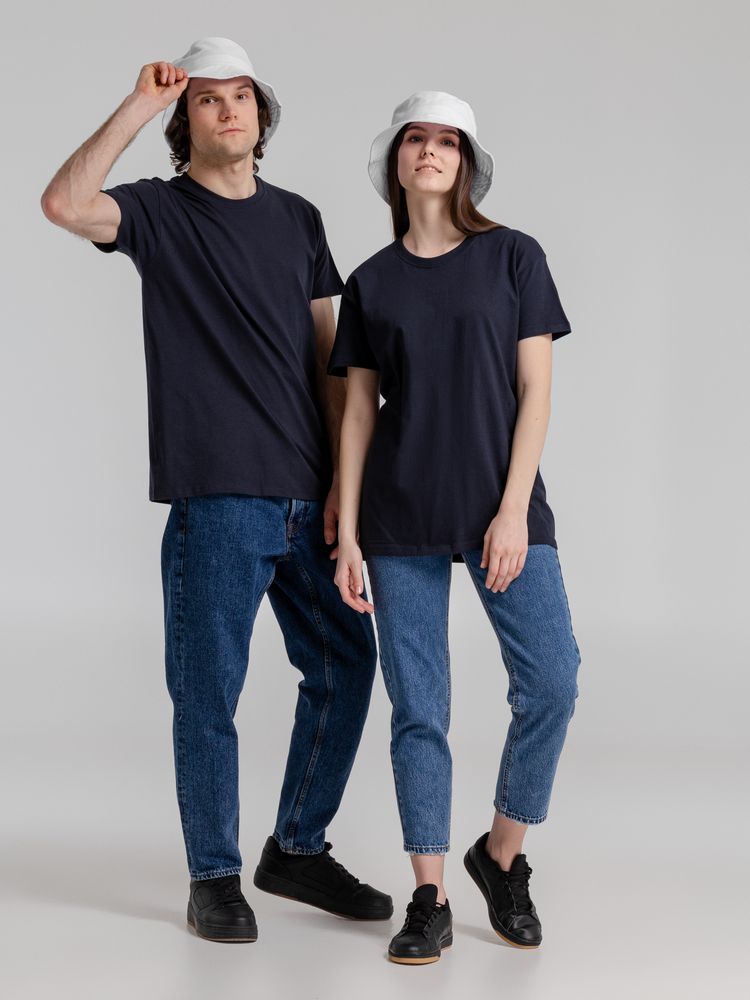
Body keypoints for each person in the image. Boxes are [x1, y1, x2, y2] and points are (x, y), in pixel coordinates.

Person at [40, 36, 392, 944]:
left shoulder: (300, 218)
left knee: (348, 666)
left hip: (309, 497)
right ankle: (214, 876)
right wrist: (138, 103)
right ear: (185, 121)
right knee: (208, 695)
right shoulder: (158, 212)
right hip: (219, 498)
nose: (228, 109)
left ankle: (297, 850)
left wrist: (345, 495)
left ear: (261, 115)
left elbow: (330, 359)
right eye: (207, 98)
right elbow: (64, 203)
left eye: (241, 95)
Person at [328, 90, 581, 964]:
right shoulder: (371, 281)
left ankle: (499, 856)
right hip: (397, 515)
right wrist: (348, 533)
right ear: (396, 160)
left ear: (466, 161)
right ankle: (428, 893)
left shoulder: (514, 256)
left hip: (498, 508)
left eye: (447, 140)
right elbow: (358, 413)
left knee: (552, 680)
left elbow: (535, 391)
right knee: (419, 709)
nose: (431, 151)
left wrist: (512, 509)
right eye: (416, 139)